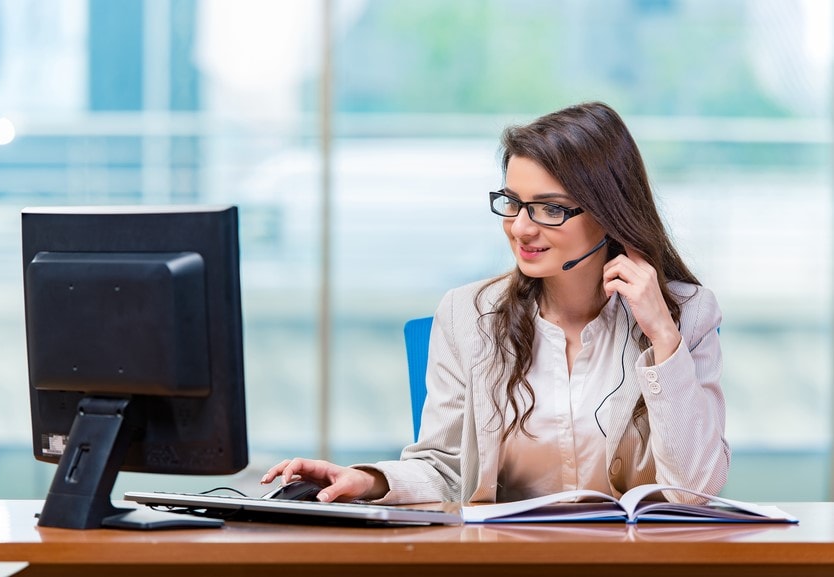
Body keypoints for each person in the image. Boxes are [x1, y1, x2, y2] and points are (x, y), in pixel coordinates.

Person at [262, 101, 729, 505]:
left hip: (635, 564)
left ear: (610, 212)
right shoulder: (468, 315)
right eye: (513, 202)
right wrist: (368, 480)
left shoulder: (688, 315)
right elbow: (447, 469)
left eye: (550, 208)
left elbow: (694, 490)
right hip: (507, 557)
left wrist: (663, 339)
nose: (522, 228)